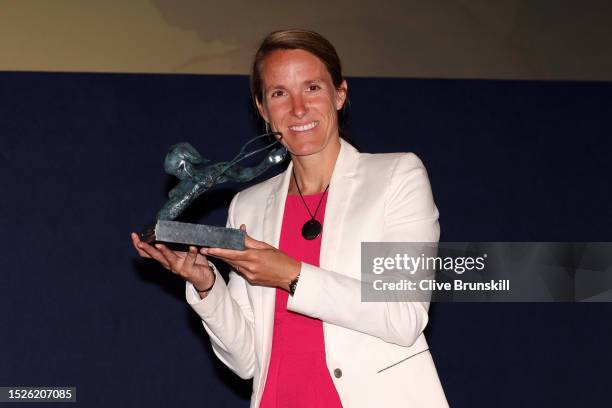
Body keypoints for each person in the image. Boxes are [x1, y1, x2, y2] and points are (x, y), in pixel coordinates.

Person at [131, 29, 448, 407]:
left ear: (340, 94)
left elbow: (403, 316)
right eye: (279, 93)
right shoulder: (248, 205)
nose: (298, 109)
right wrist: (207, 287)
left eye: (312, 87)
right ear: (263, 109)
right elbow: (248, 360)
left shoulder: (396, 177)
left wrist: (291, 275)